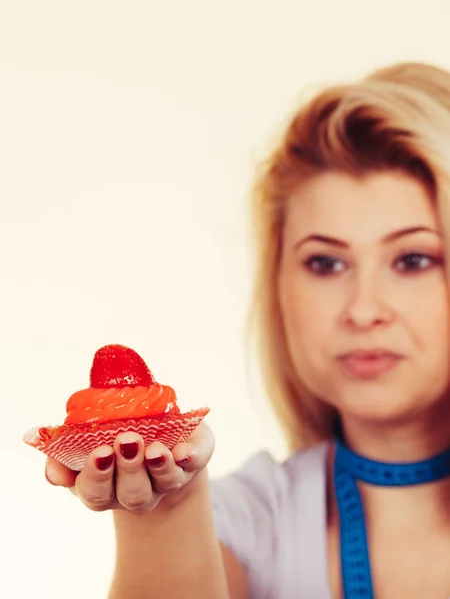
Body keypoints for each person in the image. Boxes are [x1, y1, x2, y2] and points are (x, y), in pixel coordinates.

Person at [44, 60, 450, 599]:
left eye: (414, 259)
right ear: (278, 285)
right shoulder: (247, 519)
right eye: (326, 264)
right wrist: (167, 502)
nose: (363, 309)